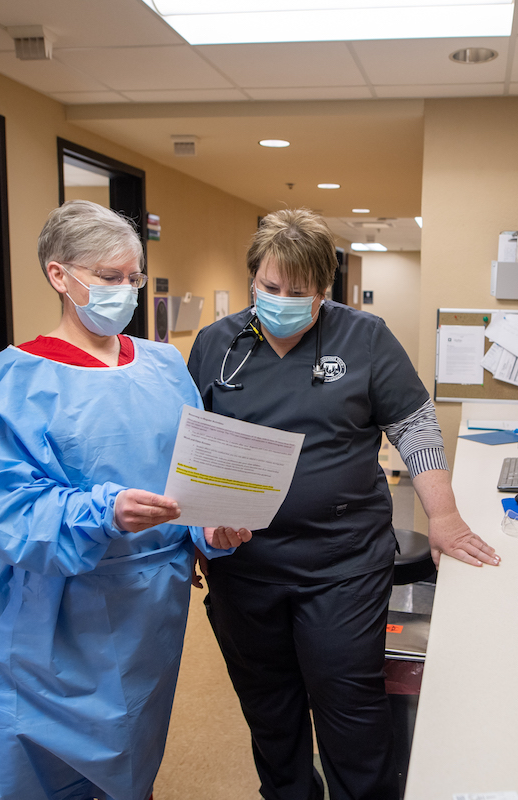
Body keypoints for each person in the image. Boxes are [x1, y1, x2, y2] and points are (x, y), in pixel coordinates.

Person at [187, 208, 499, 800]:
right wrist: (200, 529)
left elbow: (414, 424)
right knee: (271, 715)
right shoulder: (214, 345)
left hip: (341, 565)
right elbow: (191, 447)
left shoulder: (364, 337)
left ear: (323, 290)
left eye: (297, 292)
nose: (280, 301)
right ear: (252, 278)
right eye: (269, 287)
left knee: (349, 710)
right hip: (245, 571)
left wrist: (444, 515)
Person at [0, 200, 250, 800]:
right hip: (58, 613)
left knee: (132, 759)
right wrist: (102, 512)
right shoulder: (16, 379)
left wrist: (209, 529)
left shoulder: (164, 366)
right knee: (34, 770)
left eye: (132, 278)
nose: (124, 291)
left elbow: (189, 476)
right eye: (108, 277)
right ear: (59, 275)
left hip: (151, 608)